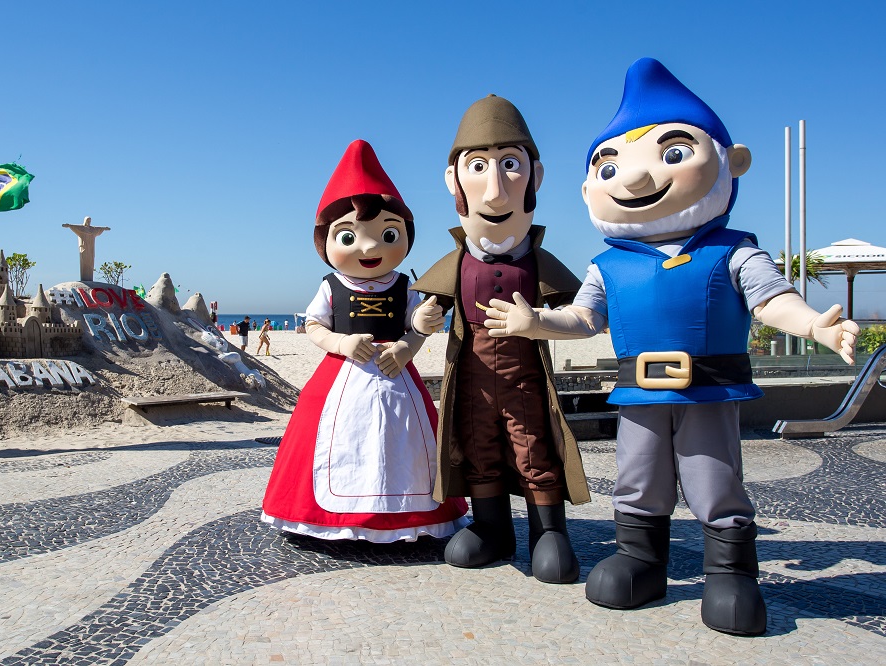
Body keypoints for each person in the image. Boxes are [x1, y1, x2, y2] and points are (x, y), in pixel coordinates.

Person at [484, 58, 859, 635]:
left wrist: (815, 326)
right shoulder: (608, 265)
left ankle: (730, 574)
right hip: (638, 394)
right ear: (589, 189)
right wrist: (536, 322)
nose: (635, 180)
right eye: (611, 167)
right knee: (638, 477)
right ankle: (640, 559)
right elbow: (584, 318)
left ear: (730, 162)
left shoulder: (732, 250)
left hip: (709, 390)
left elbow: (770, 299)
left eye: (674, 152)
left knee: (714, 478)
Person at [411, 95, 590, 583]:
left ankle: (548, 531)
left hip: (524, 380)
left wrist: (542, 321)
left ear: (535, 177)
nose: (494, 191)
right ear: (454, 181)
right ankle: (492, 529)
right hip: (471, 383)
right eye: (478, 167)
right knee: (478, 448)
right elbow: (425, 311)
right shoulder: (456, 263)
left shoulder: (538, 263)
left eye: (510, 165)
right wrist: (423, 320)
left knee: (534, 448)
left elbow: (584, 313)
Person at [261, 139, 468, 542]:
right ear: (325, 240)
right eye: (348, 237)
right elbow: (315, 326)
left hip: (396, 374)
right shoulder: (331, 285)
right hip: (342, 373)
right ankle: (330, 515)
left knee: (405, 439)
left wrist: (409, 343)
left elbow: (418, 325)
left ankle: (408, 515)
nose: (370, 247)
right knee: (333, 438)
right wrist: (341, 344)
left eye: (388, 234)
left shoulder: (405, 286)